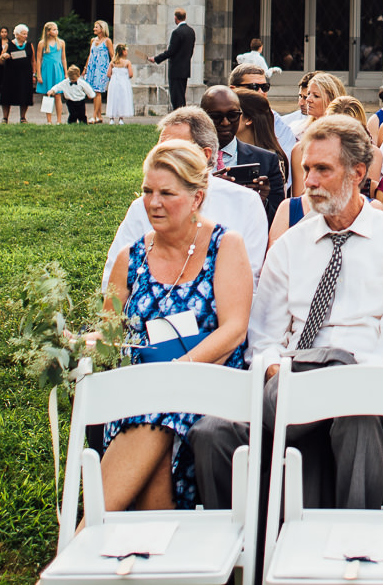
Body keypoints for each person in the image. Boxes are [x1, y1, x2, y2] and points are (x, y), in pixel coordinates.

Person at [190, 115, 383, 512]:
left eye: (323, 169)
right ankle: (250, 550)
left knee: (355, 417)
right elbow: (263, 340)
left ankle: (347, 550)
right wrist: (274, 370)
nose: (311, 181)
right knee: (213, 432)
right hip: (292, 379)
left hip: (368, 383)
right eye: (306, 170)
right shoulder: (289, 245)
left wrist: (336, 386)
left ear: (357, 172)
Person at [100, 140, 251, 511]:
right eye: (147, 191)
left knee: (159, 406)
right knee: (152, 406)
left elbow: (234, 330)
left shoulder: (225, 246)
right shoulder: (130, 258)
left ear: (197, 198)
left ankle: (89, 533)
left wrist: (180, 371)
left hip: (210, 379)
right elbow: (109, 335)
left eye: (167, 193)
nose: (153, 203)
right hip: (145, 387)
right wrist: (83, 343)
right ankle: (159, 536)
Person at [105, 108, 269, 279]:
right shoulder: (143, 206)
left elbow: (250, 280)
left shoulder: (245, 202)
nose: (163, 159)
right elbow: (113, 277)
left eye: (175, 152)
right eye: (160, 150)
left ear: (205, 155)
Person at [201, 85, 286, 214]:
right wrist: (209, 188)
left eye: (232, 115)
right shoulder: (185, 158)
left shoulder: (267, 161)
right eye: (216, 117)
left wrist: (262, 201)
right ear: (202, 116)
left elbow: (278, 222)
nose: (225, 122)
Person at [235, 87, 289, 192]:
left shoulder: (272, 159)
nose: (225, 120)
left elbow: (277, 202)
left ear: (248, 119)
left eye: (233, 113)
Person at [153, 7, 196, 111]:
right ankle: (182, 115)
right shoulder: (191, 31)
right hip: (185, 68)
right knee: (181, 94)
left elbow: (171, 51)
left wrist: (156, 59)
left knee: (176, 96)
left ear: (176, 18)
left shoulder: (177, 32)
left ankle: (179, 116)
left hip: (176, 69)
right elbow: (190, 51)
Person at [0, 24, 35, 123]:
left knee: (24, 94)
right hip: (10, 75)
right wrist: (4, 56)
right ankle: (5, 118)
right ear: (17, 35)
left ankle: (23, 117)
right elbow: (0, 60)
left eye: (26, 34)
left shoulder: (30, 45)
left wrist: (34, 74)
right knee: (7, 95)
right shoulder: (9, 45)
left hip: (25, 74)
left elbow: (33, 61)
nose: (25, 36)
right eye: (23, 34)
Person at [35, 22, 67, 125]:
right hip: (47, 70)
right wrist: (38, 74)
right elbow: (38, 59)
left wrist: (66, 73)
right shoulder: (42, 43)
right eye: (54, 29)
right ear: (48, 32)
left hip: (57, 70)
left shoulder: (61, 43)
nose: (56, 31)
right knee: (48, 95)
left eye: (56, 29)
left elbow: (63, 58)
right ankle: (49, 120)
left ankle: (59, 120)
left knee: (58, 95)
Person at [83, 20, 113, 123]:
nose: (94, 29)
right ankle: (99, 116)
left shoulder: (107, 41)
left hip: (102, 68)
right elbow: (90, 55)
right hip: (92, 68)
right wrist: (85, 68)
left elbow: (112, 56)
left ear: (102, 29)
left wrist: (112, 69)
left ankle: (94, 116)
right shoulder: (93, 41)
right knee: (93, 92)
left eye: (96, 27)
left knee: (97, 92)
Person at [104, 44, 135, 125]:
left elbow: (108, 74)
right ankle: (121, 118)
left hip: (114, 83)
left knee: (113, 99)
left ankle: (111, 119)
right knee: (122, 99)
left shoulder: (113, 62)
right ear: (123, 52)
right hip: (124, 83)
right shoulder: (127, 62)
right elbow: (131, 74)